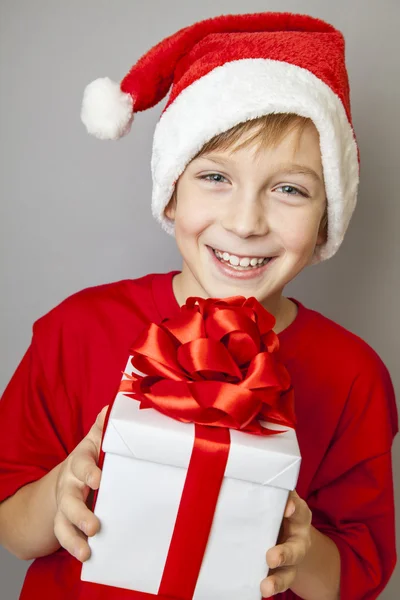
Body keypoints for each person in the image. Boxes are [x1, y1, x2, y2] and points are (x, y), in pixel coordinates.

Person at [0, 10, 398, 600]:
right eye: (215, 177)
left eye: (290, 189)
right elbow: (12, 527)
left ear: (325, 223)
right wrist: (62, 493)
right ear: (170, 194)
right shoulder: (75, 329)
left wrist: (304, 552)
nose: (245, 222)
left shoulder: (354, 376)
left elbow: (359, 572)